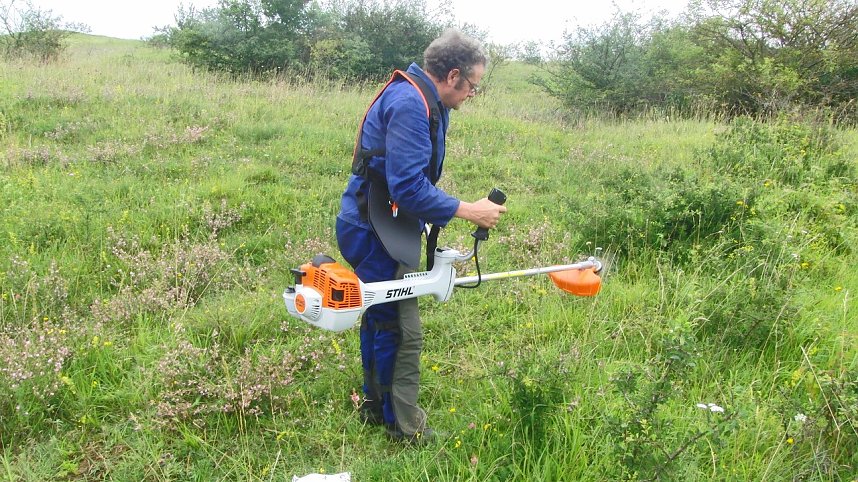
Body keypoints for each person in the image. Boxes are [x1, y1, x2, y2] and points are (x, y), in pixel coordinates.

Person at [335, 29, 506, 444]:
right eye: (473, 87)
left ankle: (376, 408)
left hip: (373, 221)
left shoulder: (423, 97)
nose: (471, 95)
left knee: (380, 315)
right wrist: (469, 209)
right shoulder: (411, 103)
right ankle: (404, 427)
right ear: (452, 76)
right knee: (401, 327)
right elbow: (408, 187)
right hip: (376, 229)